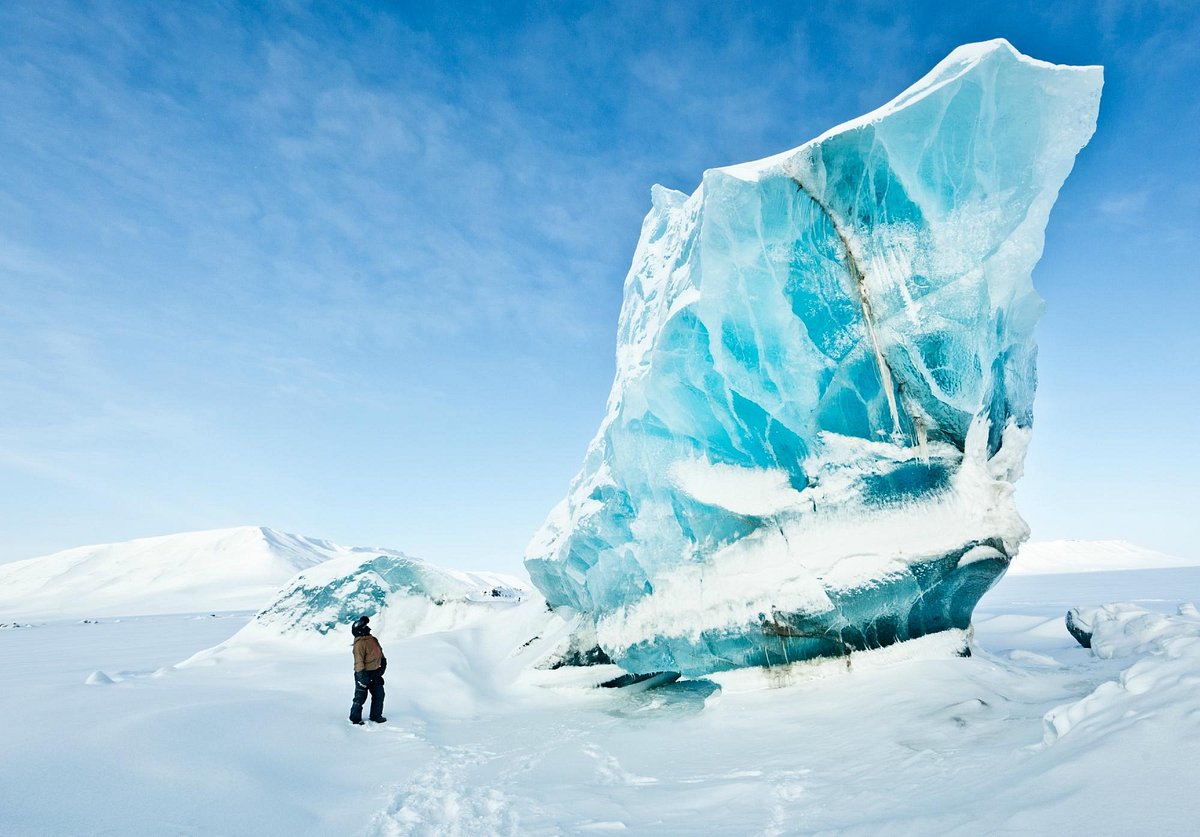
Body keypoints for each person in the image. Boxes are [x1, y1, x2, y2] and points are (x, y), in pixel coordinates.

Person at [349, 615, 387, 725]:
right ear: (360, 631)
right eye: (365, 626)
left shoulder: (373, 639)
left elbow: (379, 652)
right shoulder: (359, 643)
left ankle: (376, 716)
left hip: (375, 673)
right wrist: (362, 675)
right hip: (364, 673)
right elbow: (359, 661)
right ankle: (355, 718)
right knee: (360, 697)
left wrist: (383, 663)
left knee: (379, 695)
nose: (368, 628)